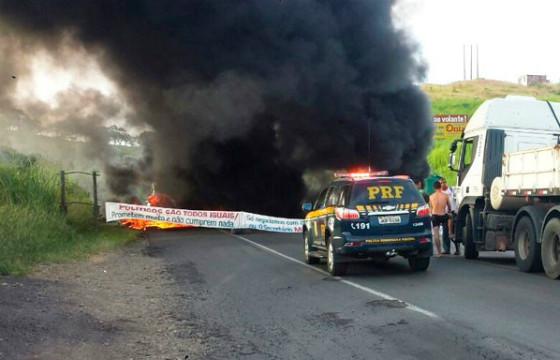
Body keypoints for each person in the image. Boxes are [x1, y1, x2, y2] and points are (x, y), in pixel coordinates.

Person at [429, 180, 452, 256]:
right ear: (440, 186)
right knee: (446, 231)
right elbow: (449, 207)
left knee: (436, 235)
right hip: (443, 215)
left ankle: (439, 252)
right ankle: (447, 245)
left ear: (434, 188)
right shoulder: (445, 196)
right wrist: (448, 212)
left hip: (435, 216)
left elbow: (431, 208)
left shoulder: (431, 196)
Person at [440, 178, 460, 255]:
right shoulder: (440, 192)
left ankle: (458, 249)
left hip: (453, 213)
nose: (443, 184)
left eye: (444, 182)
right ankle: (446, 249)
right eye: (441, 183)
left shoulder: (451, 190)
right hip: (445, 214)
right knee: (445, 232)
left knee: (453, 232)